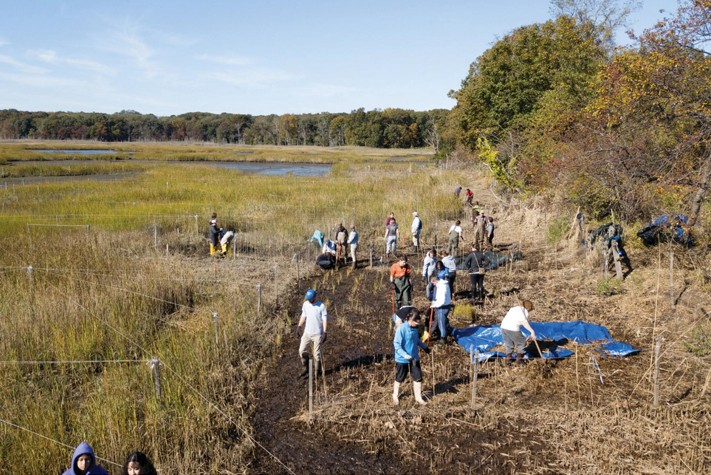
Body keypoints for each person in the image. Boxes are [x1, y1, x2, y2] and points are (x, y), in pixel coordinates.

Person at [392, 308, 431, 405]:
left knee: (418, 377)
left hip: (414, 358)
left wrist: (424, 347)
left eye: (418, 322)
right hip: (402, 359)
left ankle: (418, 397)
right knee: (400, 377)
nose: (417, 324)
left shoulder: (414, 329)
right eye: (416, 322)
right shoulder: (401, 329)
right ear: (410, 320)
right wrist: (405, 355)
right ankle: (395, 395)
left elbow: (416, 340)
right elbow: (396, 344)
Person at [297, 289, 328, 377]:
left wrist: (325, 332)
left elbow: (325, 319)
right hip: (307, 333)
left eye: (311, 299)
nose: (309, 300)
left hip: (317, 334)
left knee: (316, 355)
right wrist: (299, 326)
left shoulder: (321, 306)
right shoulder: (305, 304)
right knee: (301, 350)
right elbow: (303, 315)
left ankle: (317, 372)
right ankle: (306, 368)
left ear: (315, 297)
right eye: (308, 299)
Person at [429, 274, 452, 343]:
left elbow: (442, 300)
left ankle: (443, 338)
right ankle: (448, 331)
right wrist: (434, 302)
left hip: (442, 307)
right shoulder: (443, 285)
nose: (433, 284)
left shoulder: (442, 287)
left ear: (435, 281)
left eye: (433, 283)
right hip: (445, 305)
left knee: (441, 323)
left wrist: (434, 305)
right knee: (444, 321)